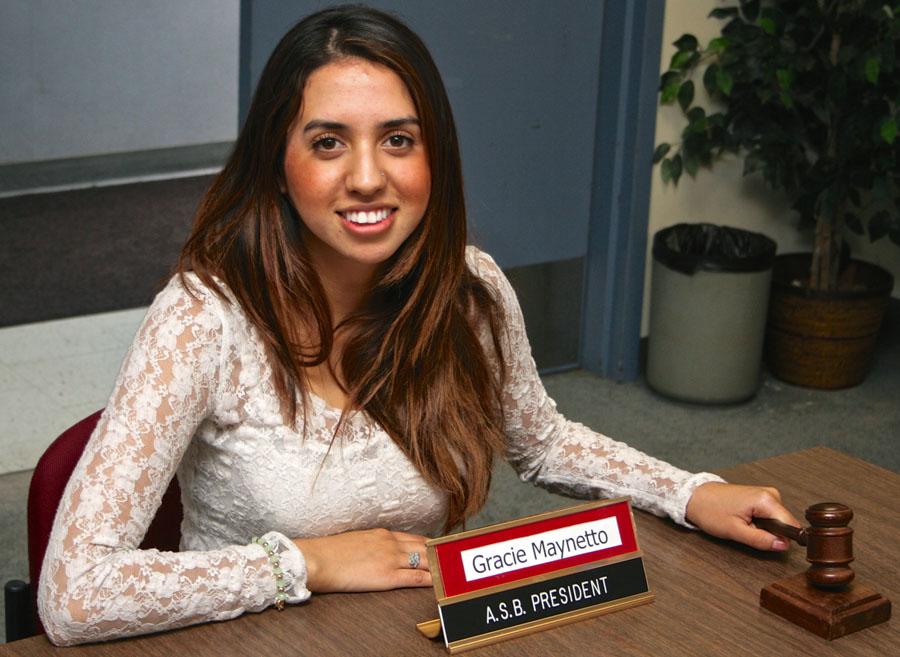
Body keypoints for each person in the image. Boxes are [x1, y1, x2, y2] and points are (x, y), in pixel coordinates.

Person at [37, 5, 799, 646]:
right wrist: (306, 563)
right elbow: (74, 592)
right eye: (328, 141)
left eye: (398, 139)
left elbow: (542, 440)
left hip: (414, 631)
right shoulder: (204, 317)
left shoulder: (469, 290)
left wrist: (691, 491)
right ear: (276, 162)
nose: (368, 176)